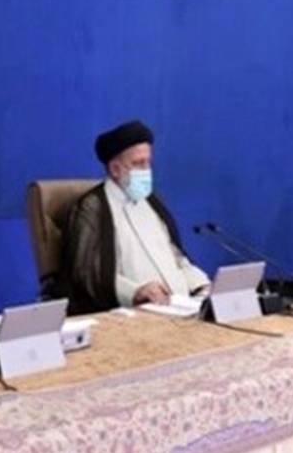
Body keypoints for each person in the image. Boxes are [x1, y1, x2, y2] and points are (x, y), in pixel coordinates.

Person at [60, 120, 209, 314]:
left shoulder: (152, 201)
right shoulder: (93, 207)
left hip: (181, 307)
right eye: (138, 164)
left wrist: (202, 285)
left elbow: (177, 258)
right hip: (133, 315)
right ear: (115, 169)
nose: (146, 171)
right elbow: (87, 272)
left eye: (148, 163)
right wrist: (135, 292)